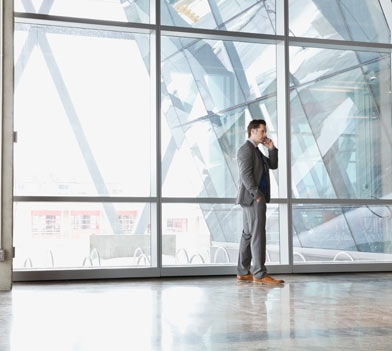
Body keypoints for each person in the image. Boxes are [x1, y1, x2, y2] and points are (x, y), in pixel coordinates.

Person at [236, 119, 284, 284]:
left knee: (248, 235)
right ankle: (260, 274)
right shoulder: (246, 150)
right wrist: (257, 195)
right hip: (253, 199)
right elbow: (245, 175)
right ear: (253, 131)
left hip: (253, 198)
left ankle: (243, 272)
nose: (265, 134)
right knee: (258, 235)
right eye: (262, 131)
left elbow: (273, 164)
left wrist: (271, 148)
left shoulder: (256, 150)